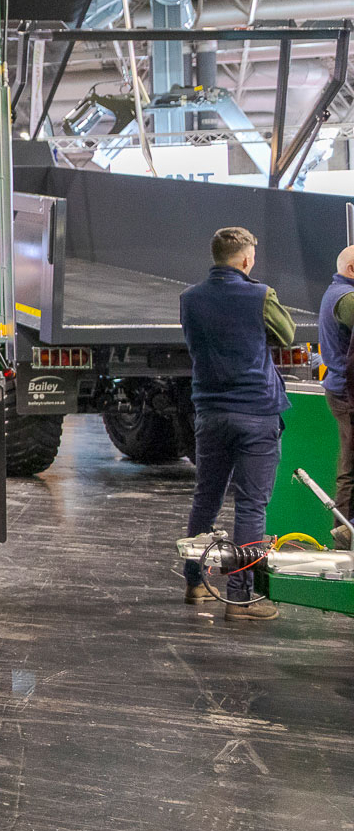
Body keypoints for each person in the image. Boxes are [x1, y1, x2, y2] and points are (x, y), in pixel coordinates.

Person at [179, 226, 294, 620]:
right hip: (256, 413)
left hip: (209, 413)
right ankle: (240, 597)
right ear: (246, 260)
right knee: (250, 505)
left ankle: (195, 583)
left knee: (206, 499)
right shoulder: (260, 295)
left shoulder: (189, 299)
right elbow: (288, 334)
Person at [316, 245, 354, 549]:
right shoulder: (347, 298)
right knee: (351, 468)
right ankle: (346, 536)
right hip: (348, 393)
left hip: (341, 389)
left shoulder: (336, 292)